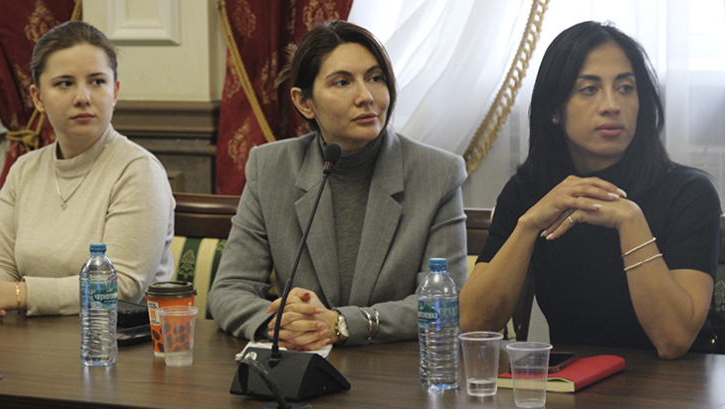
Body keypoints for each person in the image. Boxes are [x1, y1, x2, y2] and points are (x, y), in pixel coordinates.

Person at [459, 22, 721, 359]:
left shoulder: (688, 193)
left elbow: (673, 340)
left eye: (625, 88)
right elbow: (473, 324)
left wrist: (631, 222)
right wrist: (529, 225)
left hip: (678, 385)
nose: (611, 104)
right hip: (577, 382)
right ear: (555, 109)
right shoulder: (529, 192)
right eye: (589, 89)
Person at [208, 21, 468, 350]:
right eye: (342, 82)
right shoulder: (271, 167)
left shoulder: (437, 173)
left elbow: (445, 302)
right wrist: (282, 324)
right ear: (304, 102)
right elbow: (230, 289)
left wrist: (345, 324)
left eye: (375, 78)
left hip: (395, 369)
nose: (366, 96)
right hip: (302, 363)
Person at [0, 21, 174, 318]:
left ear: (115, 92)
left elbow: (122, 285)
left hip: (115, 337)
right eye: (65, 83)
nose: (83, 97)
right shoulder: (24, 169)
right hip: (30, 336)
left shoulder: (139, 171)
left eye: (97, 81)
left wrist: (18, 294)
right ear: (38, 98)